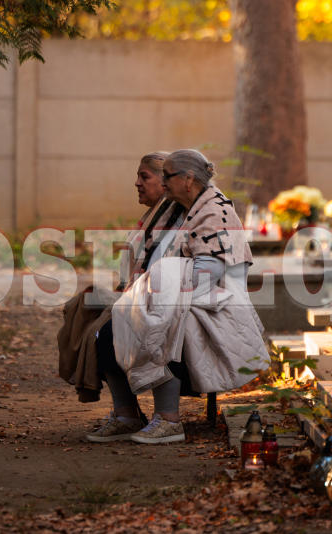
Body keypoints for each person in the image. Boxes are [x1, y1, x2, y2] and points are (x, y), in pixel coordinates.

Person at [110, 149, 269, 444]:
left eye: (167, 176)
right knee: (106, 325)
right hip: (174, 296)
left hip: (214, 306)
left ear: (188, 179)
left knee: (160, 322)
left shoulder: (215, 211)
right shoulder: (177, 207)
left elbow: (206, 275)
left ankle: (168, 420)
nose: (162, 183)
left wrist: (157, 283)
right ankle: (125, 416)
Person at [57, 152, 183, 441]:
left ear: (164, 182)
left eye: (144, 176)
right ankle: (126, 415)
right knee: (88, 318)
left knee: (106, 333)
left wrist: (124, 298)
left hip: (167, 306)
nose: (137, 183)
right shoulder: (155, 215)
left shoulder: (175, 218)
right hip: (144, 298)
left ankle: (163, 418)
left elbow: (161, 271)